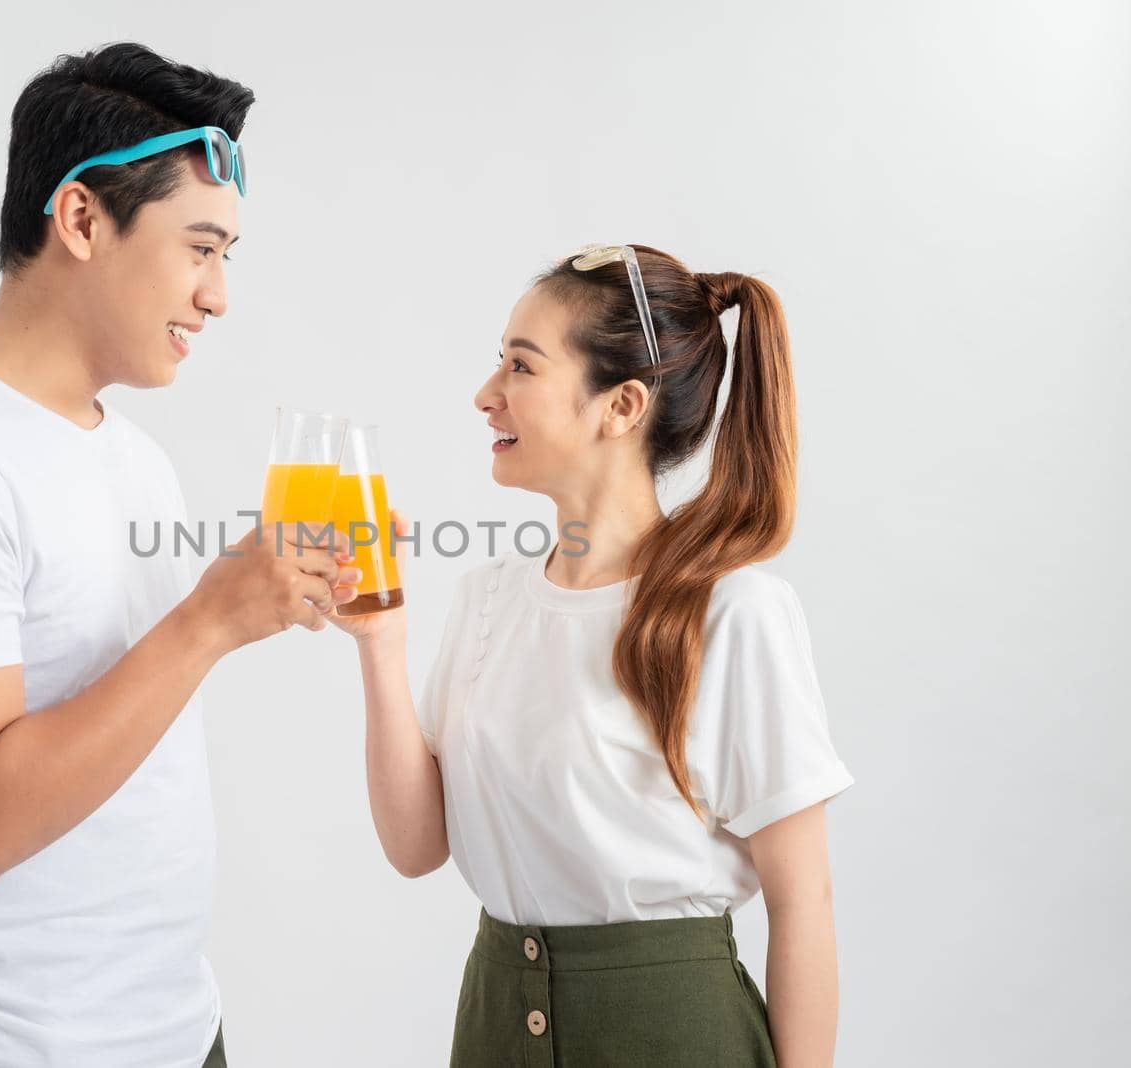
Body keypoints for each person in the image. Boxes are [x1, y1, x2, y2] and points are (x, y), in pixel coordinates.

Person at [0, 43, 359, 1067]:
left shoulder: (132, 457)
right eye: (199, 248)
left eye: (227, 257)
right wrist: (208, 620)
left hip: (175, 1032)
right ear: (78, 220)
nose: (218, 297)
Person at [333, 244, 854, 1066]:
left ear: (622, 406)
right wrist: (380, 641)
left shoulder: (734, 612)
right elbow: (415, 847)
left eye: (520, 367)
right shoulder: (488, 599)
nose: (486, 395)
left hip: (675, 1038)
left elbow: (803, 901)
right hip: (495, 1030)